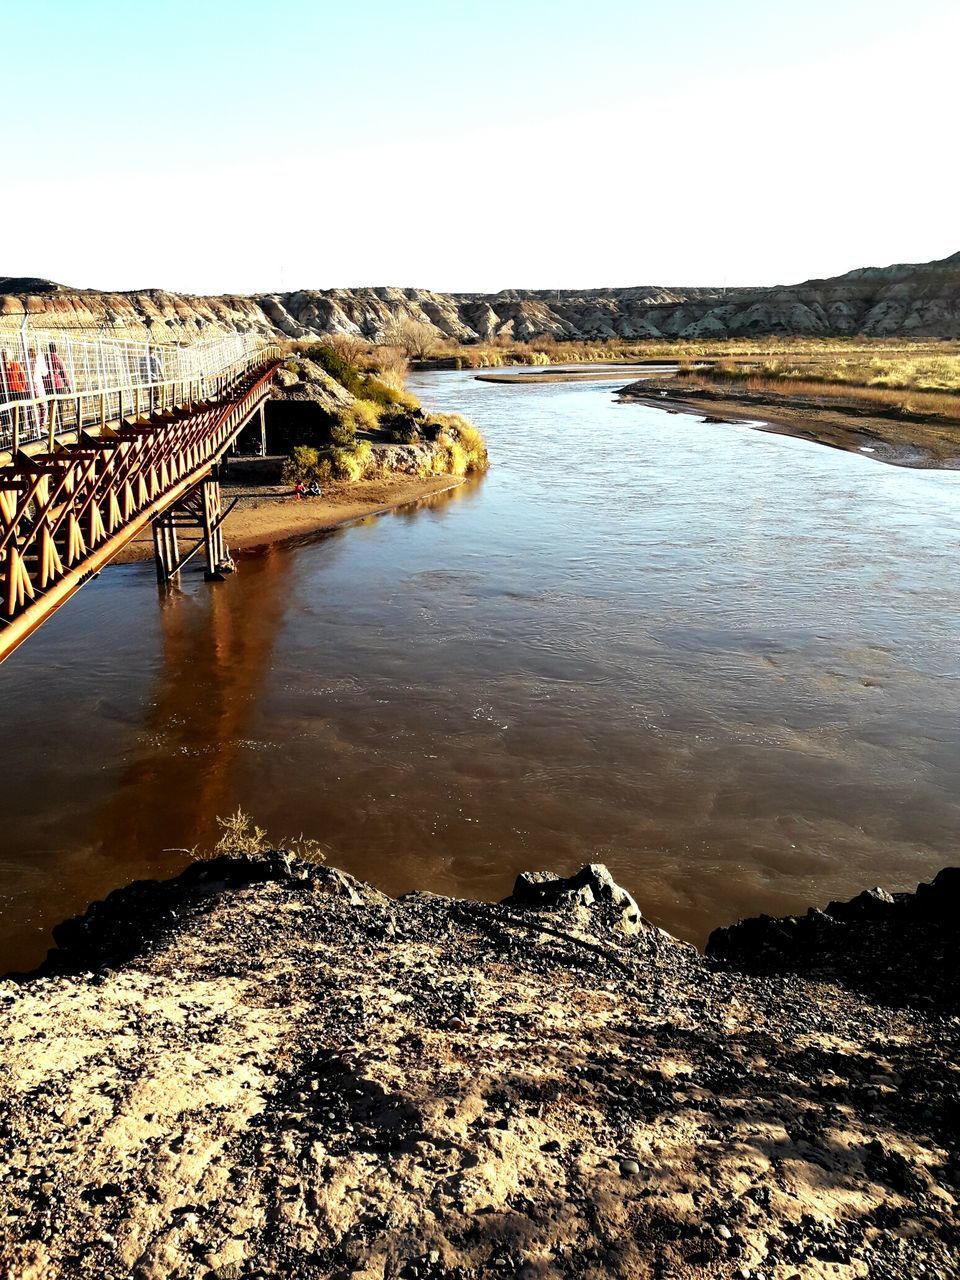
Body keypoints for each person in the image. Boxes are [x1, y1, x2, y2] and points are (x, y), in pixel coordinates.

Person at [27, 347, 49, 434]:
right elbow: (45, 373)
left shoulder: (25, 361)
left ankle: (32, 429)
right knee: (44, 406)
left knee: (31, 408)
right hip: (37, 385)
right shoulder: (38, 361)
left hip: (28, 387)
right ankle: (42, 426)